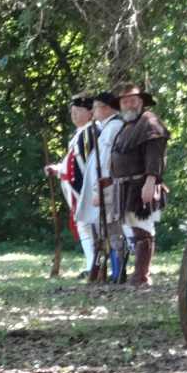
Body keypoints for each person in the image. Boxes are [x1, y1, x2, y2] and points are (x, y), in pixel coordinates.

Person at [109, 83, 170, 287]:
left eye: (132, 100)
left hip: (141, 186)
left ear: (141, 101)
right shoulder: (128, 125)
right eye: (124, 102)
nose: (128, 105)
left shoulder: (150, 123)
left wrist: (150, 183)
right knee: (133, 230)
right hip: (125, 187)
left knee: (143, 230)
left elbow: (155, 157)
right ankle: (137, 275)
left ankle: (142, 277)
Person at [75, 91, 127, 283]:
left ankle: (119, 272)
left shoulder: (113, 128)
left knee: (112, 230)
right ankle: (115, 272)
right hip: (103, 188)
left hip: (106, 189)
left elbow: (107, 163)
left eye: (96, 107)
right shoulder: (108, 128)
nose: (94, 111)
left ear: (107, 109)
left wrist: (101, 191)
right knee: (107, 231)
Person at [45, 95, 98, 279]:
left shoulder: (92, 132)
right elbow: (73, 162)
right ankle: (91, 265)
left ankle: (97, 265)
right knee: (84, 226)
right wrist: (59, 169)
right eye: (73, 112)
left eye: (79, 111)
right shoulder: (79, 133)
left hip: (88, 188)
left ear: (90, 113)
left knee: (91, 226)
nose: (74, 115)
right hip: (78, 190)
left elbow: (91, 163)